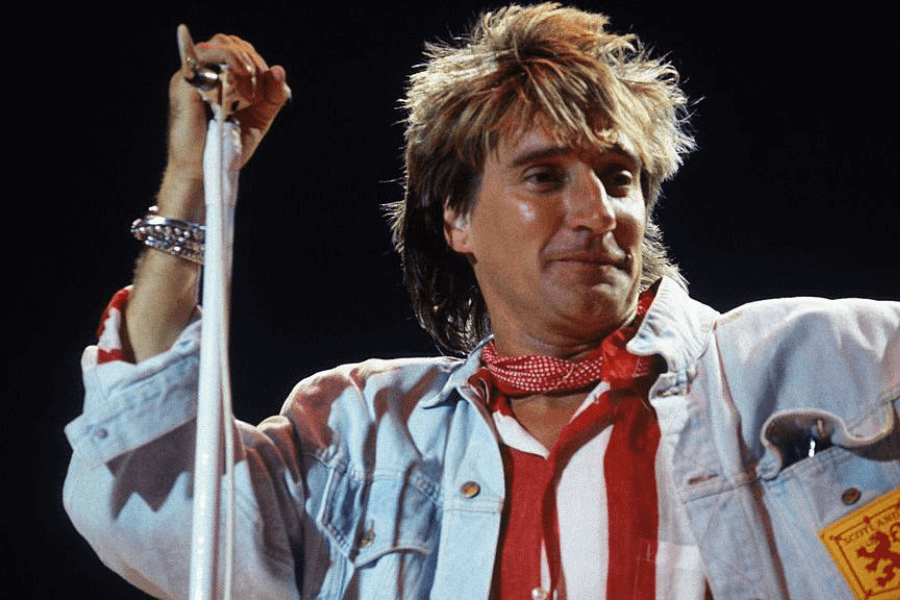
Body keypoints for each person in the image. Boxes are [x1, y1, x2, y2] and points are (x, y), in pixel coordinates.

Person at [64, 3, 900, 599]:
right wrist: (193, 186)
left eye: (619, 178)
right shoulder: (360, 432)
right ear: (455, 217)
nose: (598, 211)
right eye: (544, 176)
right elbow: (151, 492)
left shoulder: (808, 367)